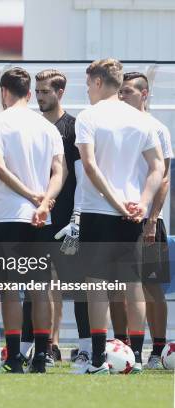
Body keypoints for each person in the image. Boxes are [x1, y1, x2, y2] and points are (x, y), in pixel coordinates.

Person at [75, 59, 164, 374]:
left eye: (88, 84)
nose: (87, 90)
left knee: (96, 284)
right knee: (133, 283)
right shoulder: (141, 120)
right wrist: (140, 202)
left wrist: (115, 202)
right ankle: (136, 357)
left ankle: (99, 358)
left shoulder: (88, 116)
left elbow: (89, 165)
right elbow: (158, 167)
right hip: (131, 213)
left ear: (98, 82)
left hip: (100, 211)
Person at [0, 67, 65, 374]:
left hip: (8, 215)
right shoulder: (47, 127)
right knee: (40, 288)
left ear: (4, 92)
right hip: (41, 217)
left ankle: (14, 357)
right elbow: (60, 172)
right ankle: (41, 356)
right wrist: (43, 201)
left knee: (9, 289)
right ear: (29, 93)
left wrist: (31, 196)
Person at [20, 69, 92, 368]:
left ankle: (85, 347)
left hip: (66, 219)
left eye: (45, 92)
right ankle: (41, 346)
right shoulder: (30, 126)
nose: (39, 97)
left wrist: (75, 216)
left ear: (60, 93)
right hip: (35, 217)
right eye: (36, 92)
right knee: (37, 283)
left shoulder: (74, 128)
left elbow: (81, 178)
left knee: (75, 284)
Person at [119, 71, 172, 369]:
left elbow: (163, 179)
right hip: (122, 218)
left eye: (129, 91)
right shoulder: (118, 126)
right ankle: (126, 347)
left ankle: (158, 350)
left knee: (152, 286)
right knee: (124, 285)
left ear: (145, 94)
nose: (123, 96)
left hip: (150, 220)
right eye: (122, 91)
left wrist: (152, 219)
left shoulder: (157, 128)